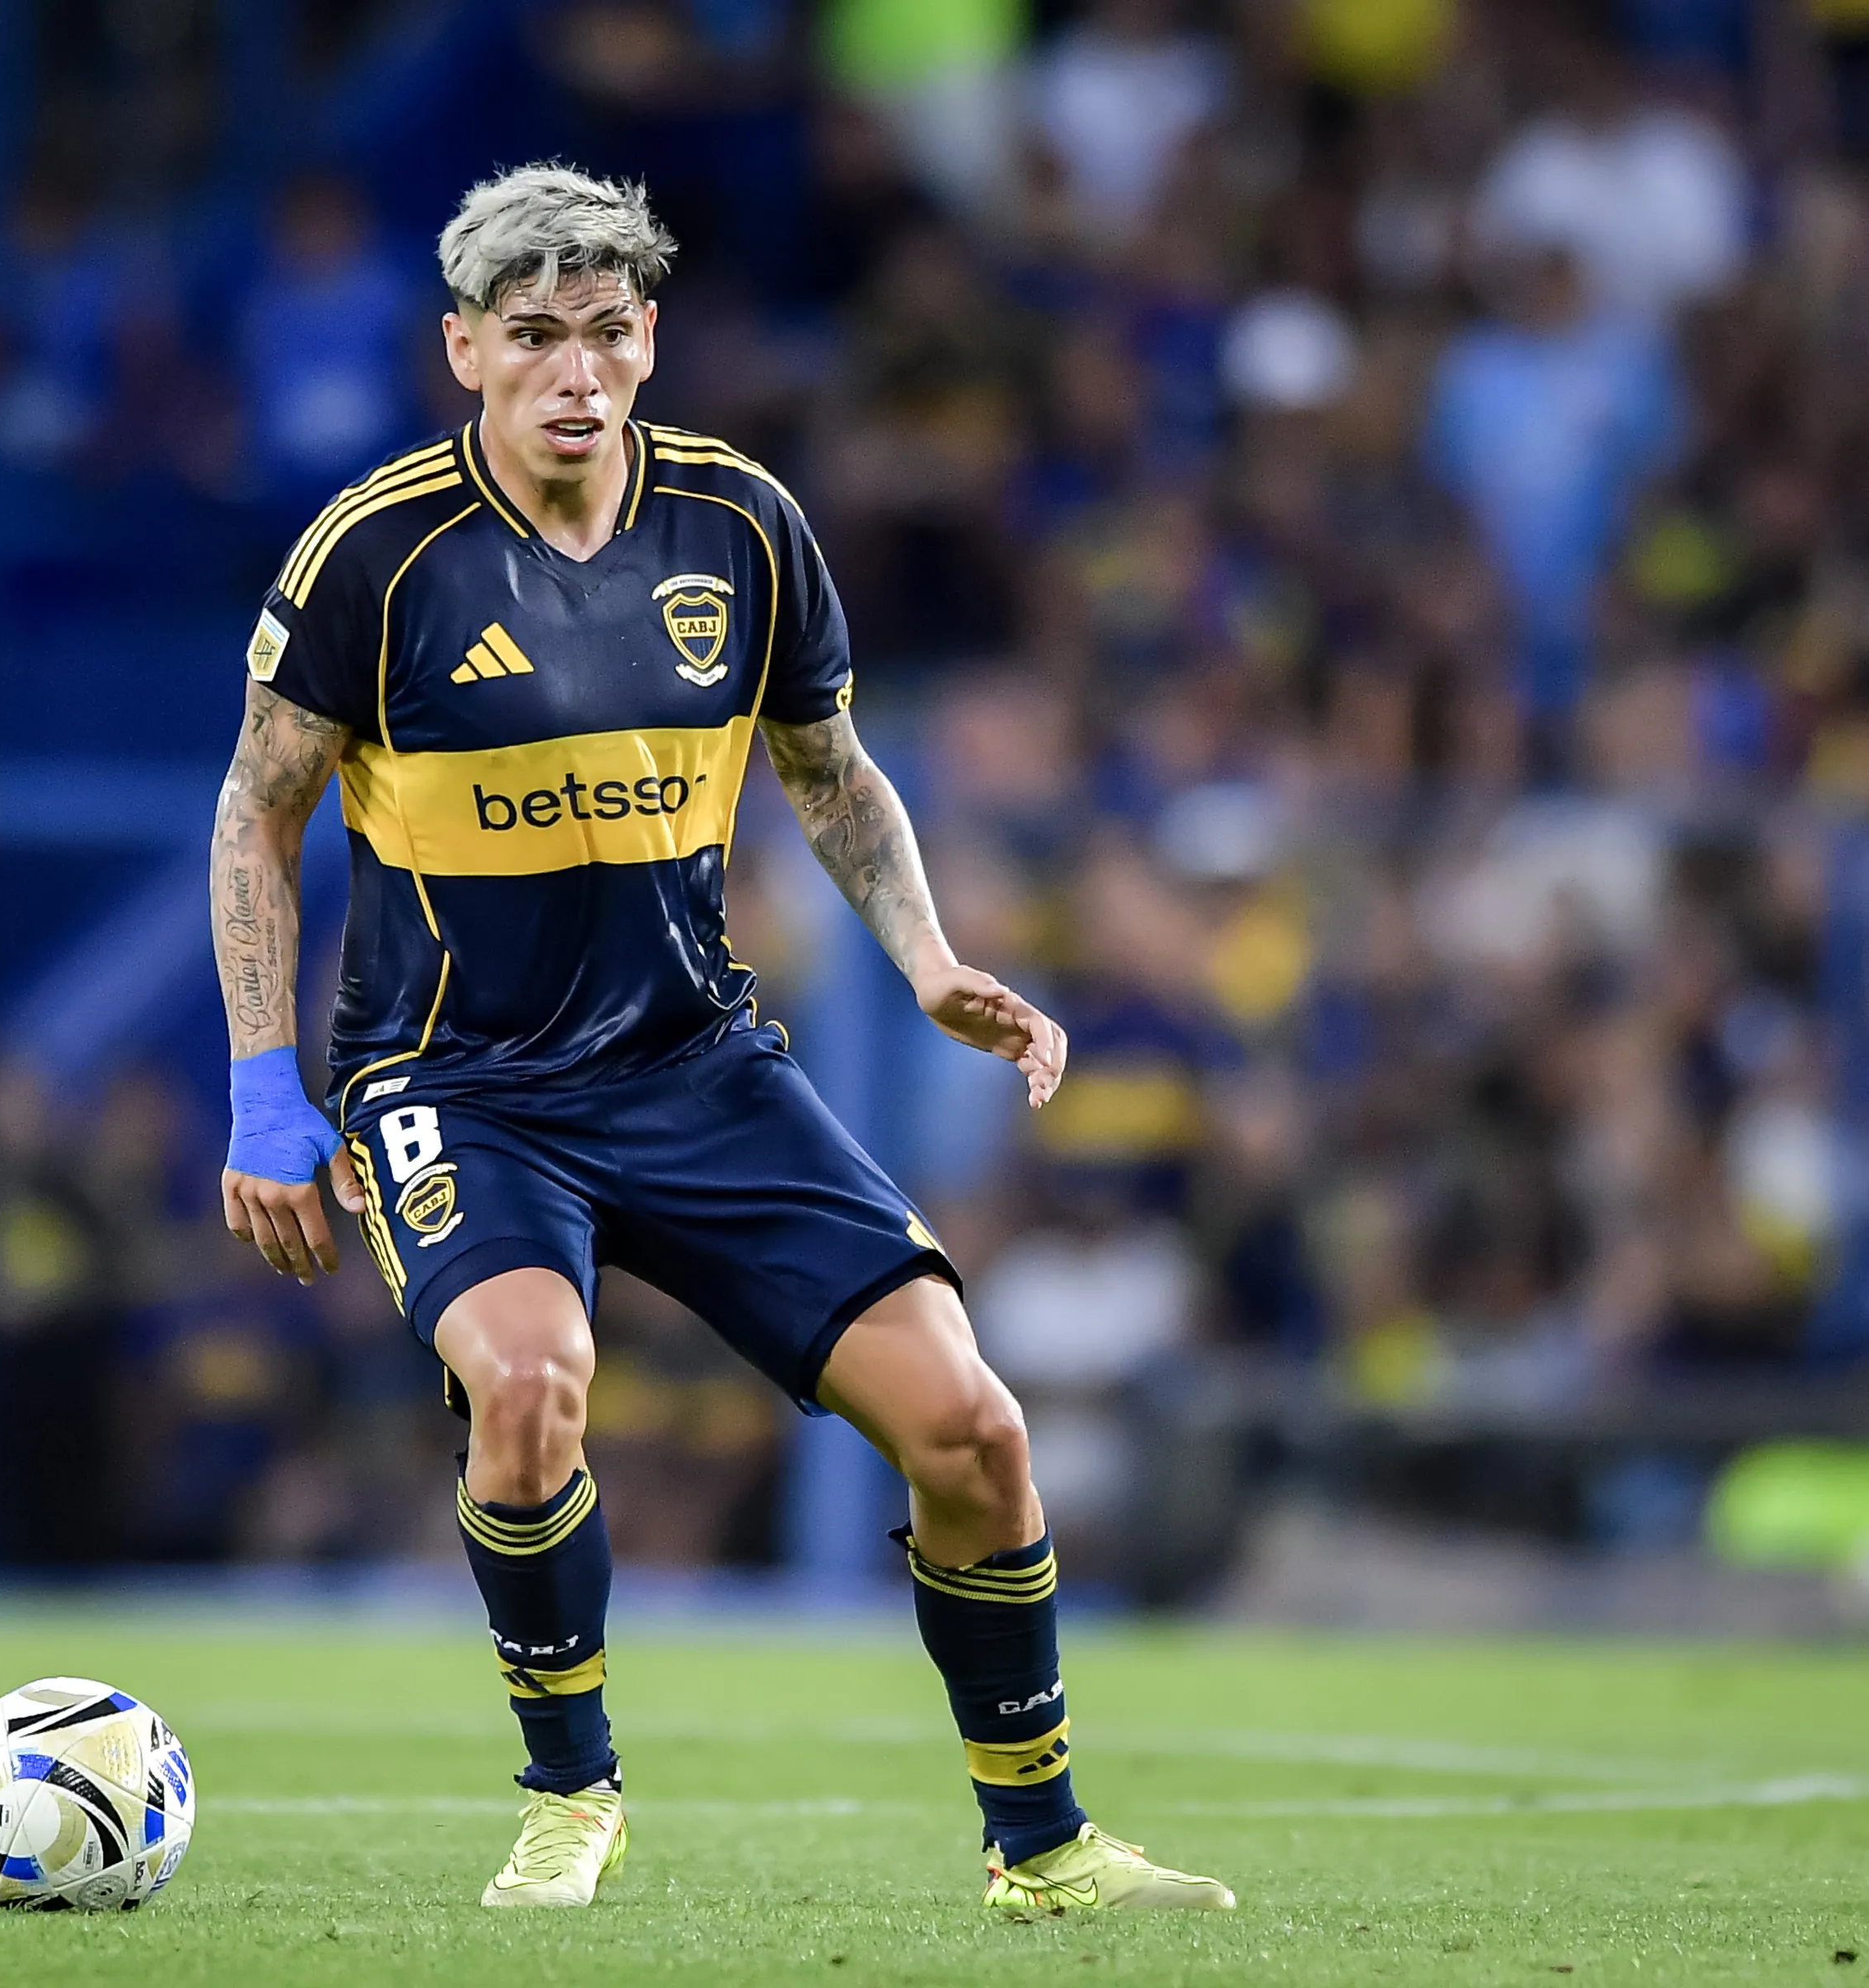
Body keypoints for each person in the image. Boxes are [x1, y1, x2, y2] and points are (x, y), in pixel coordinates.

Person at [207, 162, 1233, 1915]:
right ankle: (570, 1795)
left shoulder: (745, 526)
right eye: (533, 338)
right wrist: (263, 1093)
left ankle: (1044, 1848)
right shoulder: (374, 553)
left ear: (652, 339)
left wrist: (925, 958)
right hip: (457, 1081)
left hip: (698, 1063)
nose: (575, 374)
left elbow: (831, 775)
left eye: (606, 334)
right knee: (529, 1388)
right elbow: (257, 811)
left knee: (975, 1434)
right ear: (465, 350)